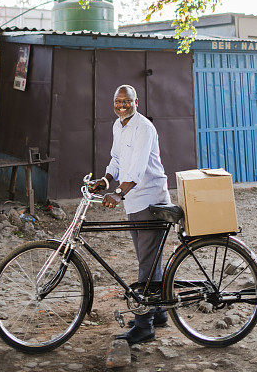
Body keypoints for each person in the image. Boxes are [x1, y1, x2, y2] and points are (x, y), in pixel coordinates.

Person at [89, 84, 172, 345]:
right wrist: (105, 179)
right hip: (134, 203)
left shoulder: (144, 128)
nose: (122, 105)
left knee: (146, 264)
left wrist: (118, 194)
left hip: (150, 201)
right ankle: (157, 311)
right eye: (118, 101)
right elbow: (117, 159)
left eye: (127, 101)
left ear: (137, 102)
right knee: (148, 259)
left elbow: (135, 168)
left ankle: (144, 325)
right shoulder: (118, 125)